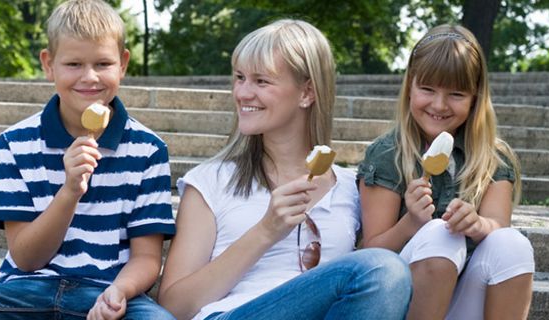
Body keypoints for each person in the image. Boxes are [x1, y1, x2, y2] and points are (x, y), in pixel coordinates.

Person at [157, 19, 412, 320]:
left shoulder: (350, 188)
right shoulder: (210, 182)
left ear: (307, 93)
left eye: (261, 81)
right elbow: (173, 306)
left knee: (387, 273)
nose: (243, 93)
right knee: (382, 268)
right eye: (239, 77)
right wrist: (266, 231)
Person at [0, 1, 175, 319]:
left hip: (107, 291)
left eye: (103, 63)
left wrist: (119, 291)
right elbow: (27, 259)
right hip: (26, 294)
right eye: (73, 64)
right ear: (49, 64)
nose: (89, 77)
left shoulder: (148, 149)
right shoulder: (16, 142)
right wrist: (70, 190)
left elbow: (147, 257)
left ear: (123, 64)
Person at [357, 24, 535, 320]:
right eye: (427, 89)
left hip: (465, 299)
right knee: (440, 233)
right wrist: (411, 222)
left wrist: (478, 224)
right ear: (410, 86)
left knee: (513, 243)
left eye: (455, 94)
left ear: (475, 97)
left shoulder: (492, 156)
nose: (439, 105)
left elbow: (498, 228)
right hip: (402, 299)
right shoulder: (388, 154)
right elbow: (368, 254)